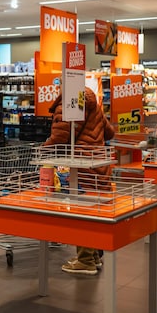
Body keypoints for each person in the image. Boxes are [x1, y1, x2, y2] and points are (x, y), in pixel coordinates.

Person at [44, 86, 115, 275]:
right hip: (99, 162)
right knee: (93, 209)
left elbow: (60, 136)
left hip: (81, 164)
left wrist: (44, 149)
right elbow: (109, 132)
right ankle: (93, 256)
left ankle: (85, 261)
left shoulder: (69, 102)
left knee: (82, 210)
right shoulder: (93, 103)